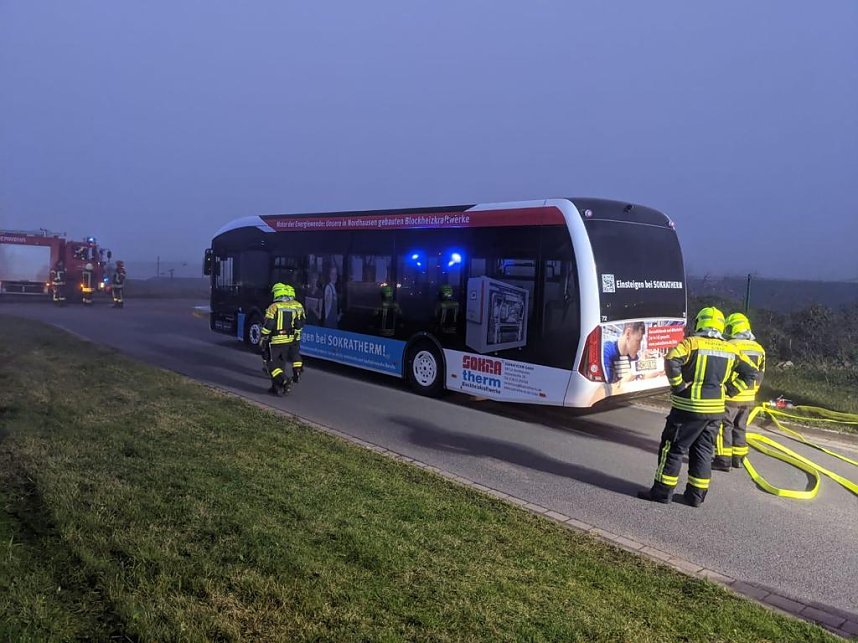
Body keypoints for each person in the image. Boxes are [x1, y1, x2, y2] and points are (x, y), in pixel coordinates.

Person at [637, 307, 758, 507]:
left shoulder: (691, 344)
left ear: (700, 323)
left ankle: (661, 493)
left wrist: (679, 386)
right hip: (715, 411)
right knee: (703, 452)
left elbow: (671, 359)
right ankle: (695, 497)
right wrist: (730, 389)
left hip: (688, 409)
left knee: (673, 449)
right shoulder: (731, 349)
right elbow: (751, 372)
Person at [713, 312, 766, 471]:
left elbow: (726, 370)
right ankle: (738, 458)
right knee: (741, 426)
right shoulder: (759, 348)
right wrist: (754, 391)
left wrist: (725, 388)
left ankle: (723, 459)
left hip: (732, 394)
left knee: (725, 426)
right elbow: (760, 374)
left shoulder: (731, 345)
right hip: (749, 396)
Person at [260, 283, 306, 396]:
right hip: (288, 340)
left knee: (271, 365)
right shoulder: (295, 305)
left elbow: (269, 324)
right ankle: (276, 388)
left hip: (275, 341)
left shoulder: (274, 307)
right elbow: (301, 322)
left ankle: (284, 381)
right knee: (281, 364)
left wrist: (263, 336)